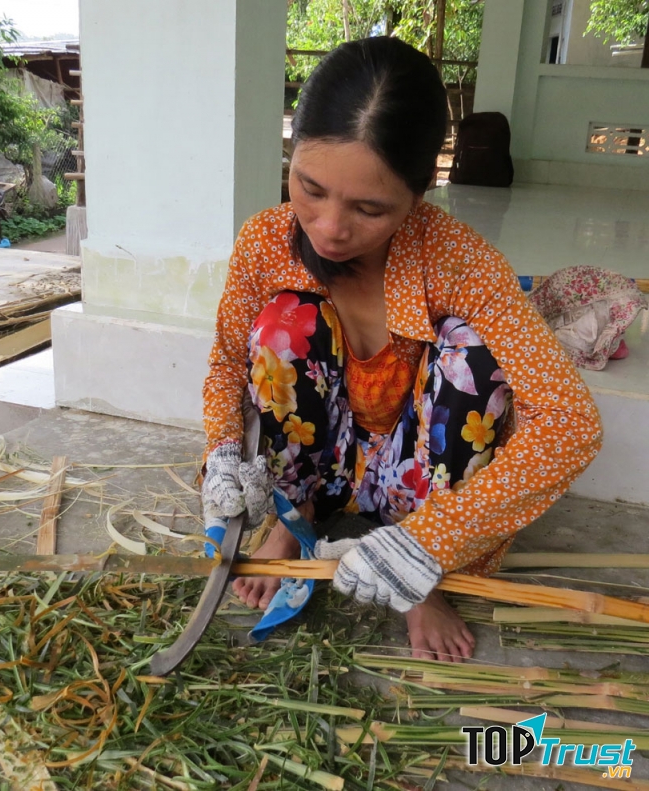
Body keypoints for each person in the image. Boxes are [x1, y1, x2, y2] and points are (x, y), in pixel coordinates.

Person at [200, 36, 603, 663]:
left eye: (369, 208)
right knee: (284, 323)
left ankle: (417, 568)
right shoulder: (266, 243)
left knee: (473, 356)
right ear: (292, 152)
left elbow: (571, 424)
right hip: (319, 454)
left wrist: (434, 541)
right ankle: (294, 512)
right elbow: (228, 360)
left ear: (419, 194)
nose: (330, 229)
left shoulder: (461, 261)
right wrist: (224, 448)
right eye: (310, 188)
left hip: (419, 474)